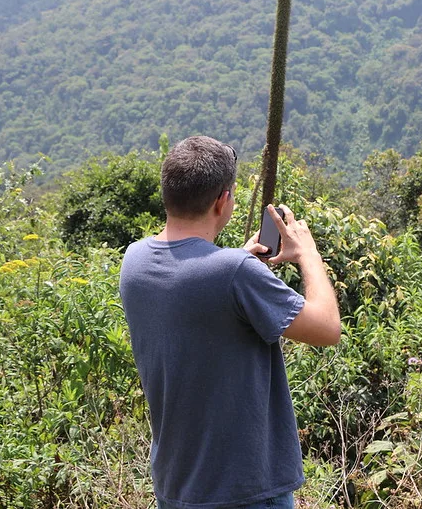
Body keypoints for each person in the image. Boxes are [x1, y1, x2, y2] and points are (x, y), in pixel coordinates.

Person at [119, 136, 341, 509]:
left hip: (177, 485)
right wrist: (307, 253)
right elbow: (327, 328)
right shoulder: (233, 272)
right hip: (244, 490)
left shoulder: (135, 261)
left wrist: (236, 260)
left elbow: (190, 281)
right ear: (223, 201)